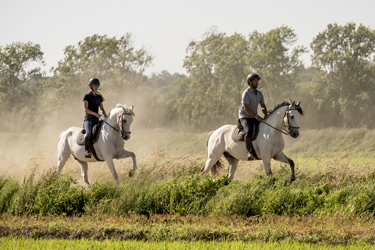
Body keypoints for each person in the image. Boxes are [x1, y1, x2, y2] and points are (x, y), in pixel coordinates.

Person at [238, 73, 268, 160]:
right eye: (255, 81)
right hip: (245, 116)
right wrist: (256, 116)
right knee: (249, 131)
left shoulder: (259, 93)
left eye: (257, 81)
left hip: (254, 116)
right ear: (249, 82)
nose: (257, 83)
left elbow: (262, 105)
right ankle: (248, 152)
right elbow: (246, 108)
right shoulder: (246, 93)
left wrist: (265, 114)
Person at [83, 78, 107, 158]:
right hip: (88, 120)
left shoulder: (99, 97)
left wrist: (105, 115)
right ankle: (87, 151)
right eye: (94, 85)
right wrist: (95, 114)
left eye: (97, 86)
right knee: (89, 134)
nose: (96, 87)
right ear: (91, 86)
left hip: (96, 120)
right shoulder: (87, 96)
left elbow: (102, 109)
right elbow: (86, 110)